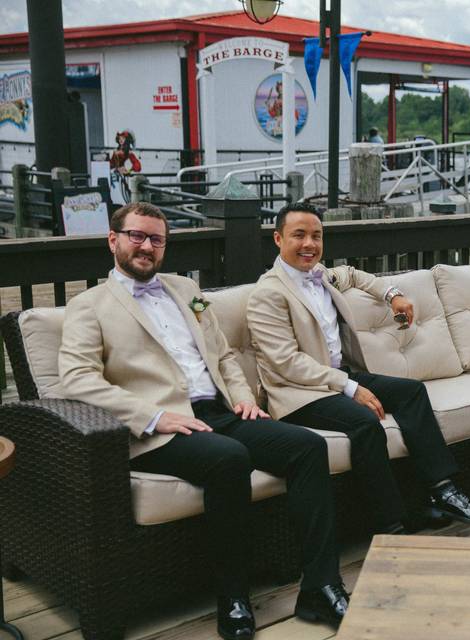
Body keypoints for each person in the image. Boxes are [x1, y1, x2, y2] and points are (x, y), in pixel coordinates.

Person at [58, 203, 349, 639]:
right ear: (113, 240)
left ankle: (321, 586)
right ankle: (233, 597)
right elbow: (77, 379)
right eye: (137, 236)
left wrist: (243, 398)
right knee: (228, 459)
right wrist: (155, 416)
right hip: (157, 428)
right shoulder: (88, 306)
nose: (147, 247)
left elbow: (225, 355)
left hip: (218, 411)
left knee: (308, 447)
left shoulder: (185, 290)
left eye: (156, 239)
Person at [246, 202, 470, 536]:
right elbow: (286, 363)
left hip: (337, 378)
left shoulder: (321, 274)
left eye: (316, 236)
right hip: (298, 394)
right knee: (365, 423)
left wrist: (393, 295)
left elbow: (353, 274)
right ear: (278, 239)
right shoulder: (267, 293)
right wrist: (350, 387)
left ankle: (443, 488)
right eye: (299, 235)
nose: (309, 244)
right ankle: (391, 523)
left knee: (412, 393)